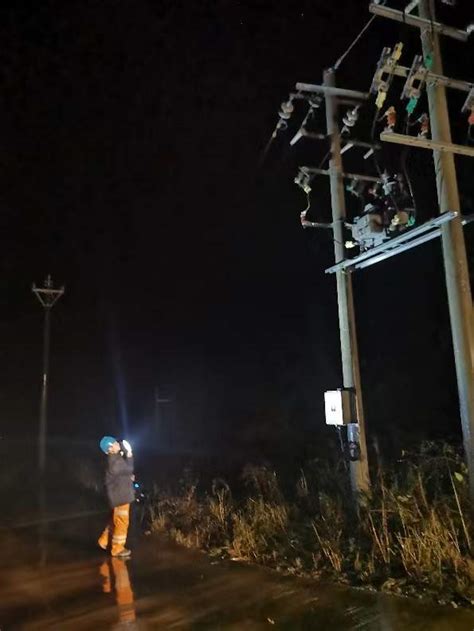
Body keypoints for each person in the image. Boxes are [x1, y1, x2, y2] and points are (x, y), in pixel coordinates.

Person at [98, 436, 135, 558]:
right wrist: (129, 454)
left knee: (115, 520)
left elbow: (123, 473)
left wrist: (128, 477)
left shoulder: (115, 459)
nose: (118, 444)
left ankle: (104, 541)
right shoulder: (114, 460)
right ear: (110, 448)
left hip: (119, 495)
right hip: (121, 497)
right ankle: (117, 548)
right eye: (115, 443)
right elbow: (128, 468)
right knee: (121, 522)